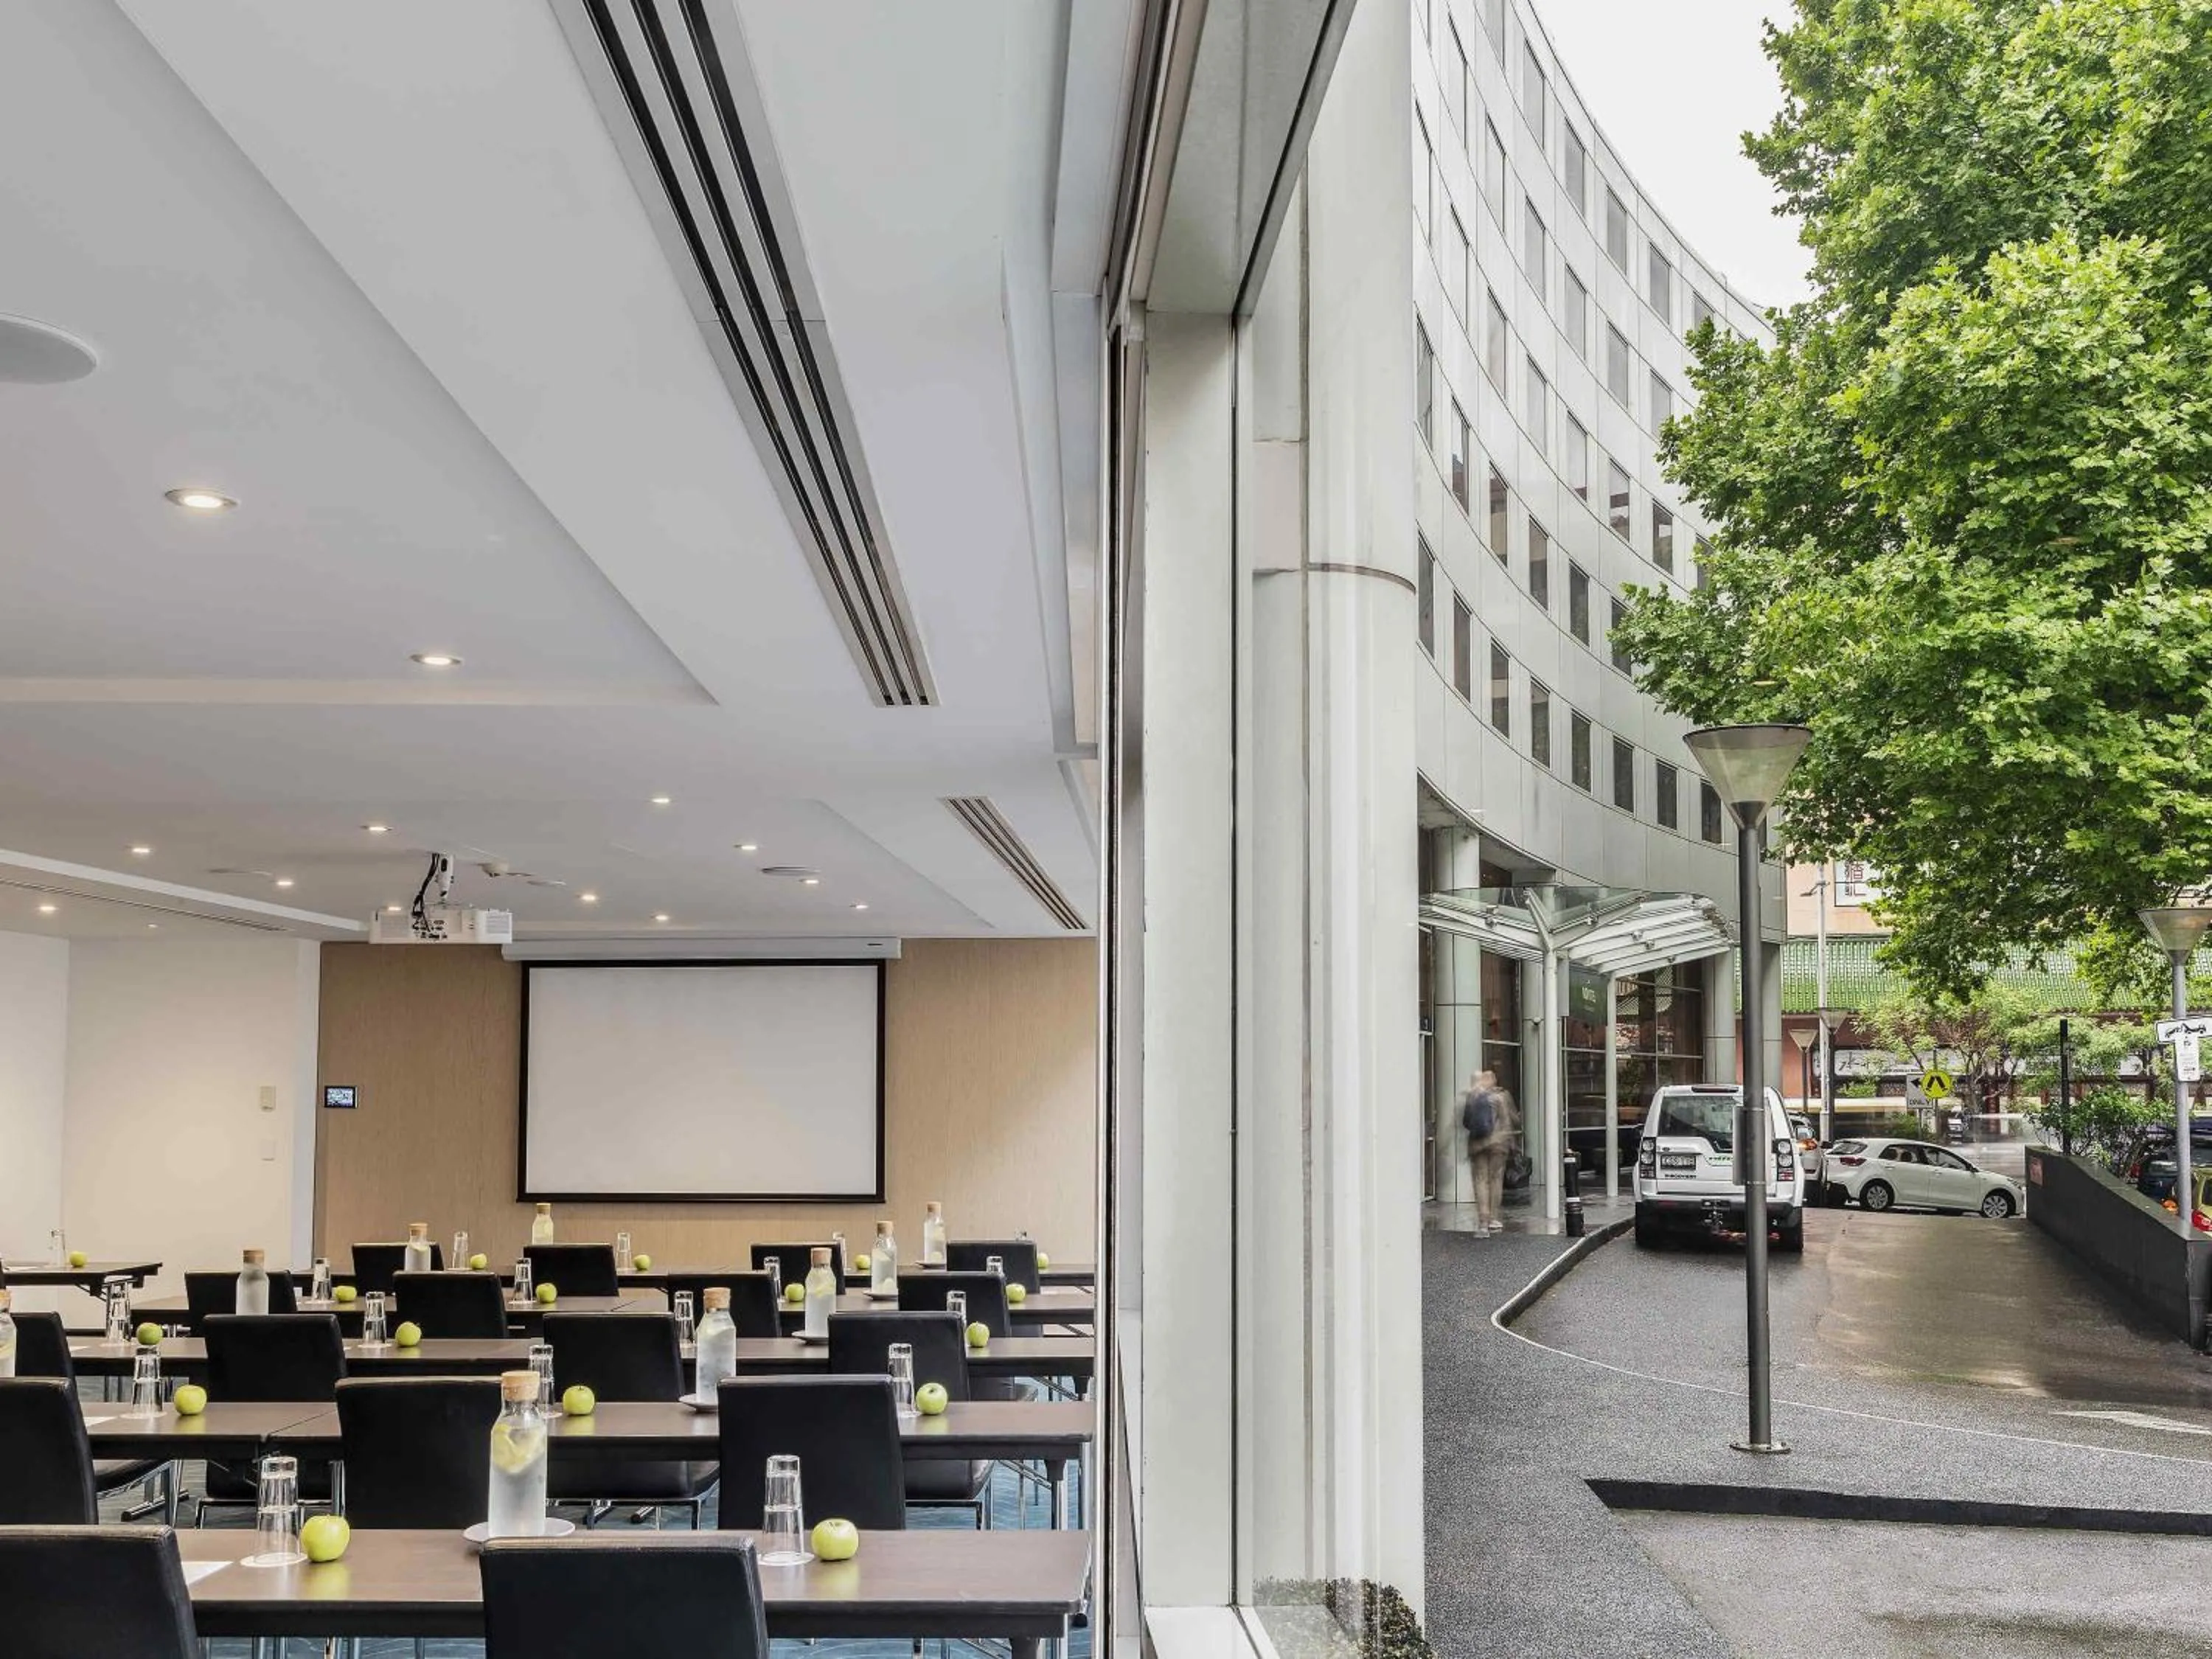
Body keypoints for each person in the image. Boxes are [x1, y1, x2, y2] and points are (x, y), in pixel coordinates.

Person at [1462, 1068, 1520, 1237]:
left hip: (1478, 1144)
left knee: (1481, 1181)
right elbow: (1509, 1121)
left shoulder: (1472, 1097)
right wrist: (1510, 1143)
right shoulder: (1501, 1096)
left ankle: (1483, 1221)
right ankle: (1494, 1218)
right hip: (1497, 1145)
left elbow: (1466, 1123)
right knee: (1495, 1180)